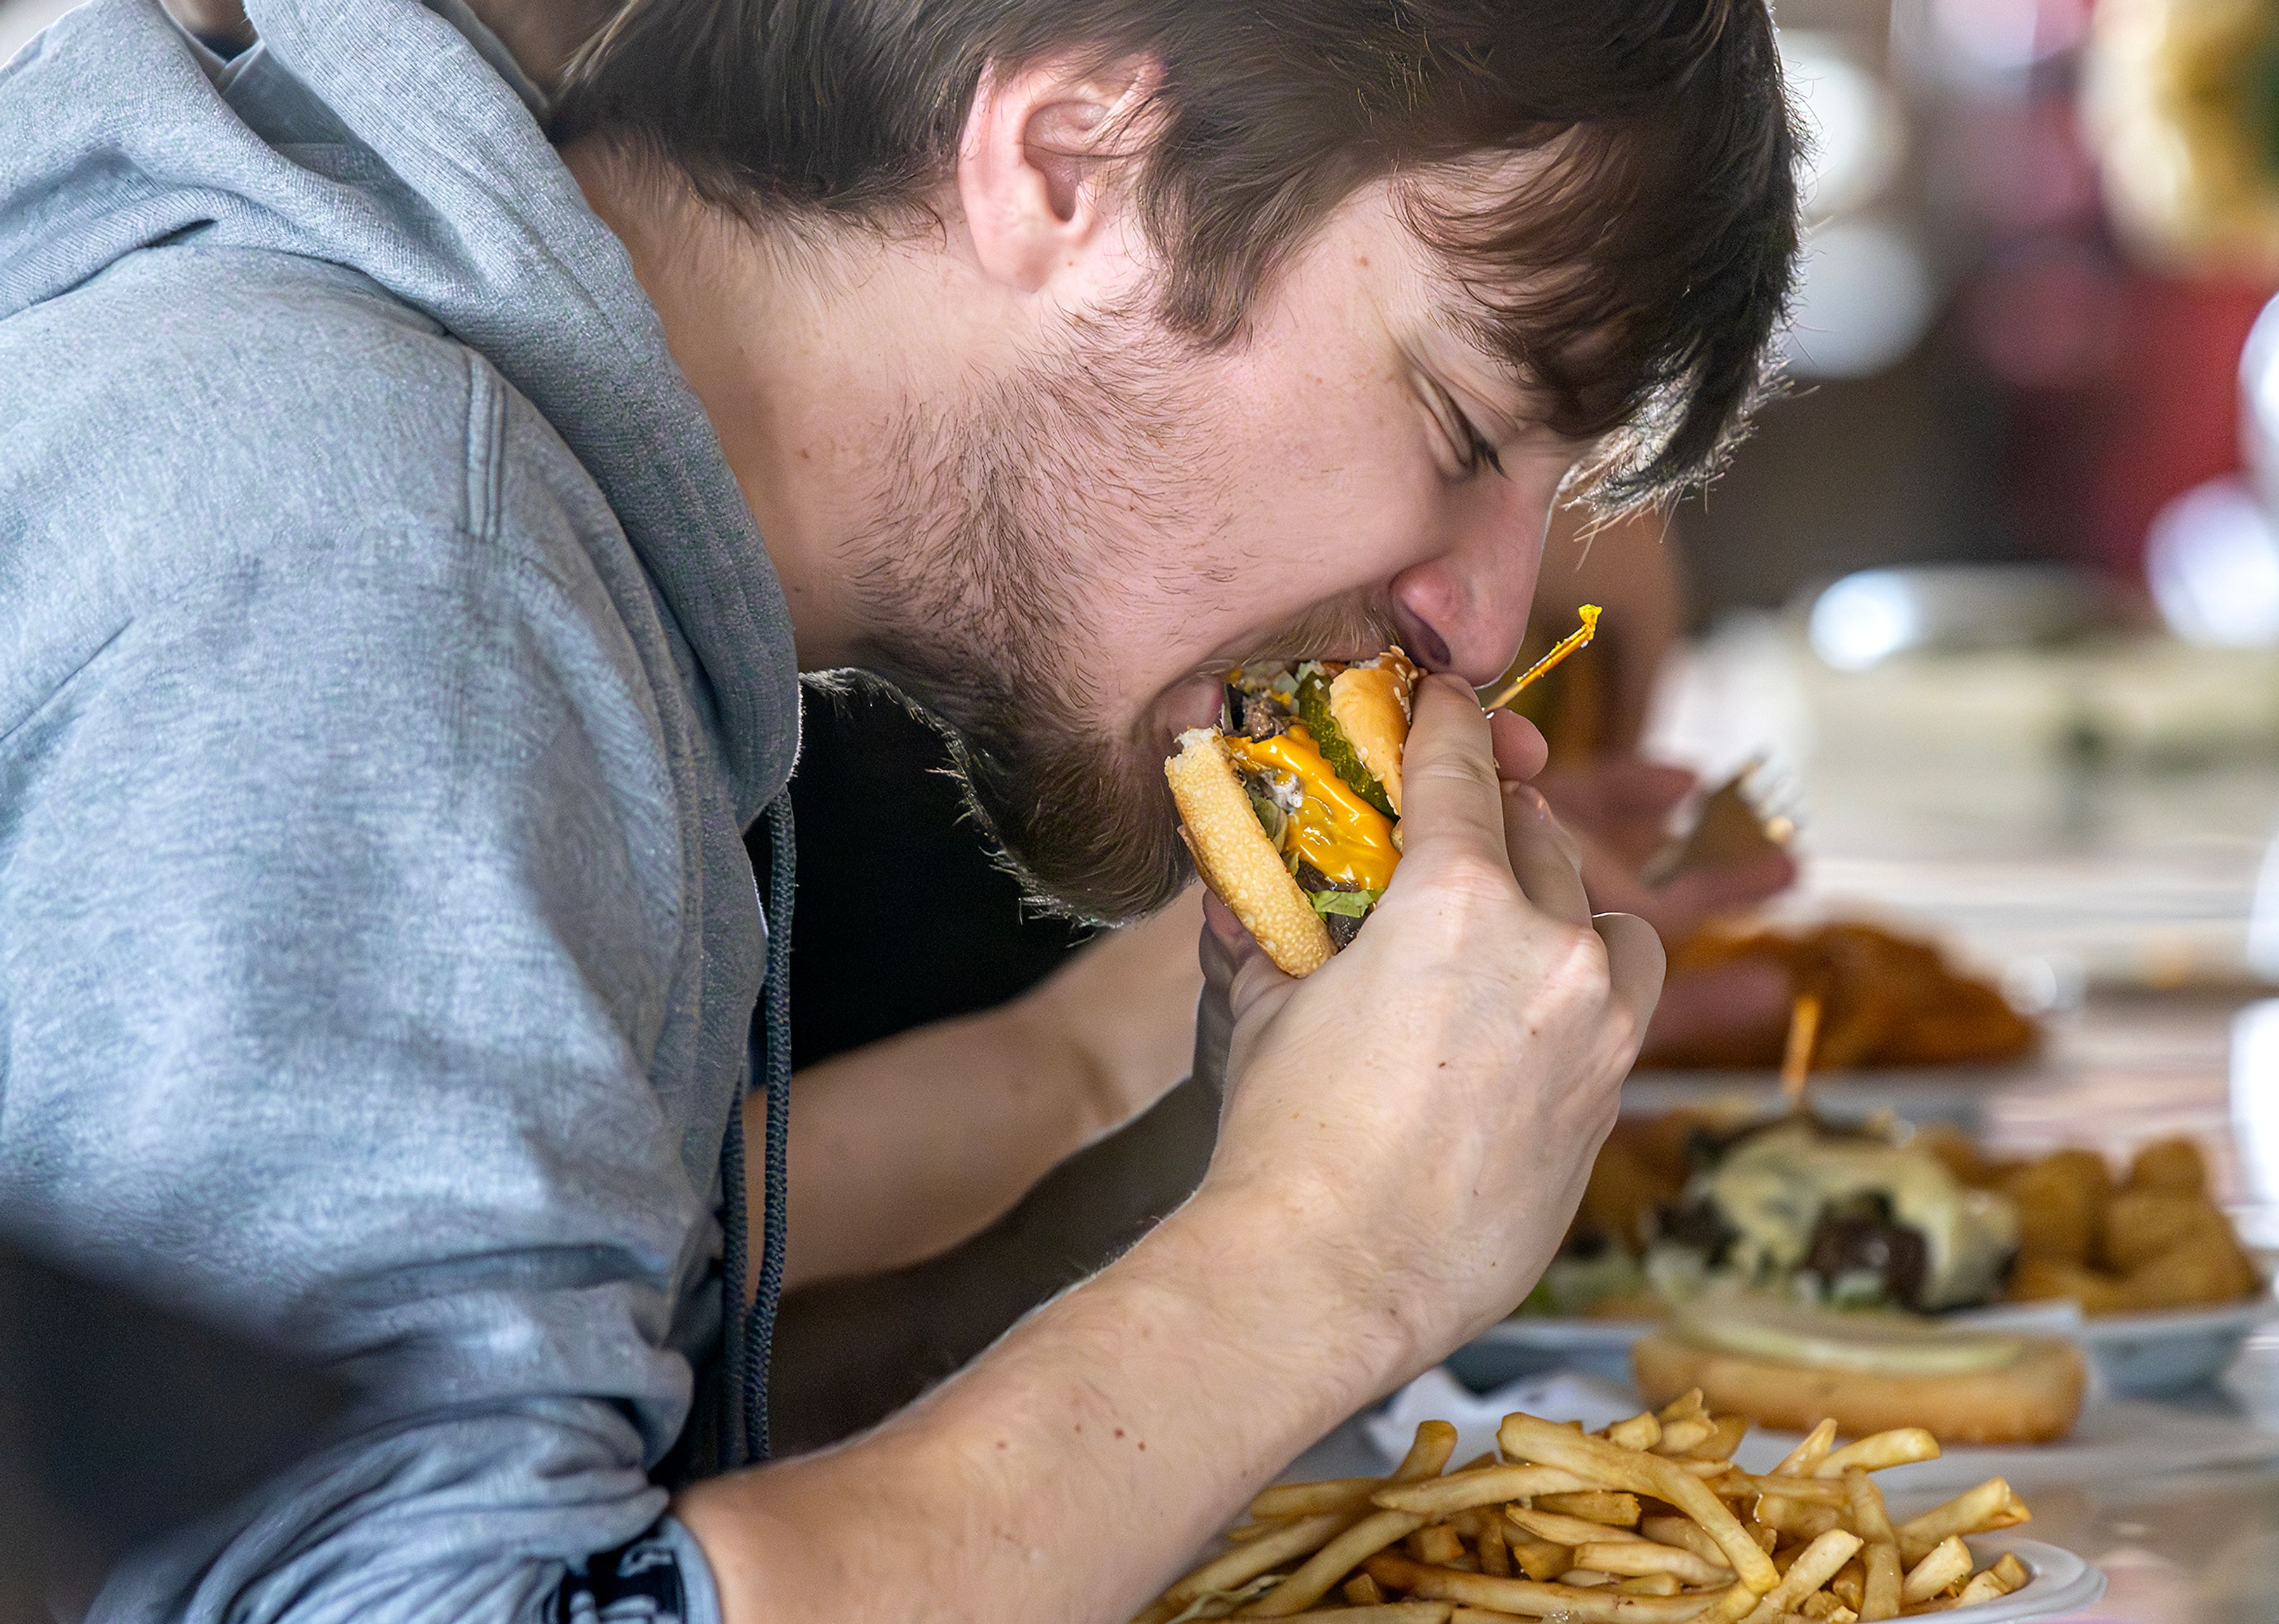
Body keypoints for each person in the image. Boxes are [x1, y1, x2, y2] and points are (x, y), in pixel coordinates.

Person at [0, 3, 1800, 1622]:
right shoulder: (393, 571)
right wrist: (1325, 1258)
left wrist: (1217, 1167)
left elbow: (628, 1478)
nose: (1485, 623)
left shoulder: (540, 524)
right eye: (1464, 425)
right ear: (1069, 163)